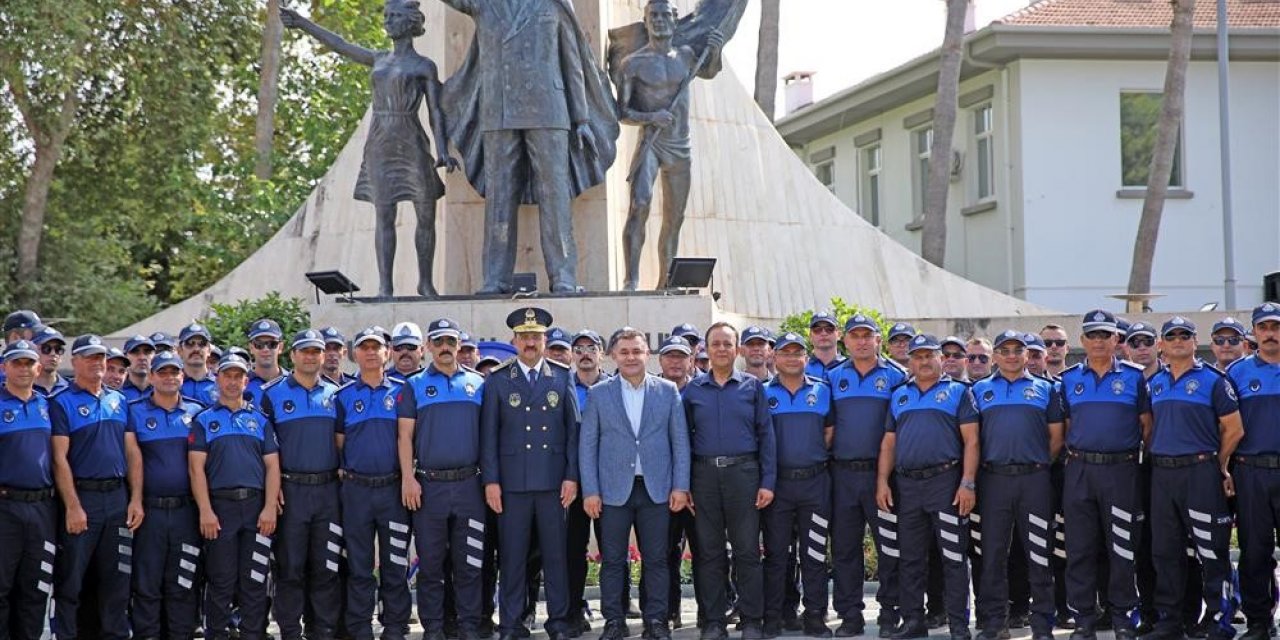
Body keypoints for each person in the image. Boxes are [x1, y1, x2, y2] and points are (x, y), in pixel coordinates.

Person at [437, 0, 618, 295]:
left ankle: (563, 277)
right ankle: (496, 279)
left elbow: (572, 59)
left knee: (555, 195)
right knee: (499, 197)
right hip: (498, 110)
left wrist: (582, 116)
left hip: (549, 110)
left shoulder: (554, 4)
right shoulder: (483, 5)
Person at [281, 0, 458, 297]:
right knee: (384, 215)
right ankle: (385, 287)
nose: (387, 21)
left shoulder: (423, 66)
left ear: (410, 22)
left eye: (394, 16)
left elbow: (436, 110)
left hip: (412, 141)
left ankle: (425, 283)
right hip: (380, 144)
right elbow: (339, 44)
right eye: (386, 16)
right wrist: (303, 23)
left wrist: (442, 150)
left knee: (425, 214)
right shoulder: (378, 59)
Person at [580, 326, 690, 640]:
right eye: (624, 351)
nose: (631, 357)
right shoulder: (599, 393)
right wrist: (591, 490)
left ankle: (656, 621)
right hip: (613, 491)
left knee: (657, 559)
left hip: (656, 489)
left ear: (647, 354)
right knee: (613, 561)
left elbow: (680, 443)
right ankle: (614, 621)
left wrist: (680, 486)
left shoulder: (667, 391)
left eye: (637, 351)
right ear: (614, 355)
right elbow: (588, 445)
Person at [481, 307, 580, 640]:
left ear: (545, 340)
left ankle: (559, 622)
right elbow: (489, 436)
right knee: (512, 558)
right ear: (514, 341)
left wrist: (572, 476)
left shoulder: (563, 376)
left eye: (536, 337)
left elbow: (572, 432)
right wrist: (491, 481)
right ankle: (511, 624)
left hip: (553, 484)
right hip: (512, 484)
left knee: (556, 558)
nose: (530, 343)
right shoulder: (498, 380)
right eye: (524, 337)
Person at [876, 334, 979, 640]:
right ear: (910, 360)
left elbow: (972, 441)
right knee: (910, 557)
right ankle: (912, 621)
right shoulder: (899, 394)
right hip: (907, 486)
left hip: (945, 483)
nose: (923, 361)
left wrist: (968, 483)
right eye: (917, 356)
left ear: (940, 359)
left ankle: (959, 624)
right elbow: (889, 444)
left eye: (929, 355)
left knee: (953, 557)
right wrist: (882, 480)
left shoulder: (959, 392)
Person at [1146, 317, 1243, 640]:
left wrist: (1218, 463)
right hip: (1162, 475)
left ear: (1194, 341)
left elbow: (1234, 429)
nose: (1177, 341)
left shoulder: (1213, 380)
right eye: (1170, 336)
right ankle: (1170, 622)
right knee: (1166, 551)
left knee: (1211, 551)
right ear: (1162, 344)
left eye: (1184, 335)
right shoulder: (1155, 383)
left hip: (1199, 472)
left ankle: (1219, 620)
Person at [615, 0, 723, 290]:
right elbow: (621, 112)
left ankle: (666, 281)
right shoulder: (632, 63)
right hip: (651, 143)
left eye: (665, 15)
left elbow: (710, 71)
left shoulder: (687, 56)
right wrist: (651, 116)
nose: (660, 21)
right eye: (654, 16)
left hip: (680, 146)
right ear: (646, 21)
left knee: (675, 217)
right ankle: (631, 279)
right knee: (639, 204)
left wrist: (715, 49)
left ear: (675, 21)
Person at [1058, 310, 1150, 640]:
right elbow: (1065, 429)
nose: (1098, 341)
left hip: (1121, 470)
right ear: (1083, 341)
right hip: (1080, 470)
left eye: (1105, 335)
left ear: (1116, 340)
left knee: (1122, 548)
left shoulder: (1135, 377)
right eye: (1092, 335)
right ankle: (1083, 619)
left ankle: (1124, 617)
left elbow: (1147, 427)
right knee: (1081, 549)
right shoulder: (1068, 379)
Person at [682, 322, 776, 640]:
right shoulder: (692, 391)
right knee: (710, 554)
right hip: (704, 477)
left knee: (747, 551)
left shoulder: (752, 388)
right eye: (716, 344)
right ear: (705, 350)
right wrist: (685, 484)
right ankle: (714, 622)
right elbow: (683, 440)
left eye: (727, 344)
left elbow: (767, 436)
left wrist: (767, 482)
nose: (721, 349)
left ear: (737, 350)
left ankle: (752, 620)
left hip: (744, 475)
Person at [49, 334, 144, 640]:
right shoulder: (62, 402)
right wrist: (73, 506)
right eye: (89, 357)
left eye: (101, 357)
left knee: (117, 579)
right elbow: (59, 459)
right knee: (72, 581)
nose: (97, 363)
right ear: (74, 362)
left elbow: (131, 452)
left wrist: (136, 499)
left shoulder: (119, 400)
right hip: (83, 497)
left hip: (117, 498)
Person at [970, 331, 1063, 640]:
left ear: (1027, 355)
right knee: (993, 555)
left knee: (1039, 552)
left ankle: (1042, 625)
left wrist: (1034, 463)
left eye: (1017, 350)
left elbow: (1056, 437)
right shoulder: (979, 390)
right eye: (1004, 350)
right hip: (994, 480)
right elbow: (973, 439)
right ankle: (996, 623)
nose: (1011, 355)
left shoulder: (1045, 389)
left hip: (1034, 480)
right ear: (995, 355)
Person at [399, 319, 488, 640]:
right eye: (439, 342)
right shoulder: (414, 385)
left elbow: (489, 439)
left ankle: (468, 626)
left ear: (458, 345)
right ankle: (433, 628)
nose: (446, 347)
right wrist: (408, 478)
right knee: (432, 565)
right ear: (429, 347)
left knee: (470, 564)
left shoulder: (478, 384)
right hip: (429, 487)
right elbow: (405, 437)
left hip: (470, 487)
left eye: (451, 341)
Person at [259, 329, 343, 640]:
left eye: (316, 351)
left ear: (323, 356)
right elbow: (266, 448)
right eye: (304, 351)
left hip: (327, 492)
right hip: (291, 492)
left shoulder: (335, 394)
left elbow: (341, 444)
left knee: (326, 567)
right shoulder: (272, 393)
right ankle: (290, 632)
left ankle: (321, 631)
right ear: (292, 355)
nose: (310, 356)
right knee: (290, 567)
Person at [189, 353, 281, 640]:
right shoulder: (204, 420)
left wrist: (269, 508)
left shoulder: (260, 420)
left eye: (237, 376)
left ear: (246, 380)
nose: (232, 382)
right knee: (221, 580)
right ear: (217, 379)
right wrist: (205, 510)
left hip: (255, 509)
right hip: (220, 509)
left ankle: (253, 634)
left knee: (254, 579)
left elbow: (273, 466)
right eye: (226, 376)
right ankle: (217, 634)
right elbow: (196, 469)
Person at [827, 314, 907, 638]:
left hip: (882, 477)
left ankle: (890, 614)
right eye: (855, 335)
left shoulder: (896, 376)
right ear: (845, 341)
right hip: (843, 475)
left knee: (889, 548)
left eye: (867, 335)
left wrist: (884, 478)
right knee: (845, 550)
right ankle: (850, 616)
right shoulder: (832, 379)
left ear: (878, 340)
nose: (861, 341)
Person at [333, 327, 412, 640]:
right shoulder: (343, 396)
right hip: (357, 493)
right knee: (360, 567)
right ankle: (360, 629)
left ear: (387, 352)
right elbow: (339, 443)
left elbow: (409, 438)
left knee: (395, 565)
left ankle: (394, 628)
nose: (369, 352)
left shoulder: (404, 391)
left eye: (376, 347)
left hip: (392, 490)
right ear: (355, 354)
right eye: (363, 347)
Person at [760, 333, 834, 639]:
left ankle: (814, 615)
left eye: (797, 353)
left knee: (815, 553)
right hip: (778, 486)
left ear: (806, 357)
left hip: (815, 484)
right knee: (777, 555)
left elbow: (829, 433)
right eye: (785, 353)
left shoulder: (823, 391)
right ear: (774, 357)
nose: (792, 358)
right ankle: (774, 616)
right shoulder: (762, 393)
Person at [129, 351, 205, 640]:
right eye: (163, 372)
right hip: (151, 513)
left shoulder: (197, 411)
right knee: (147, 583)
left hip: (187, 512)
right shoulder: (134, 410)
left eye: (175, 372)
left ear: (182, 377)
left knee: (184, 581)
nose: (170, 377)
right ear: (151, 377)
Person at [1228, 303, 1280, 640]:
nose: (1271, 333)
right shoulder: (1237, 372)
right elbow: (1226, 427)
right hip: (1251, 472)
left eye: (1276, 326)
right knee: (1254, 551)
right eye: (1264, 328)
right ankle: (1259, 621)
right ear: (1254, 333)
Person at [0, 340, 57, 640]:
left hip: (42, 509)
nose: (23, 369)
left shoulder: (48, 403)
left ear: (38, 367)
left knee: (36, 588)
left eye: (28, 363)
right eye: (16, 363)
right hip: (6, 508)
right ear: (4, 367)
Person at [568, 329, 609, 635]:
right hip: (574, 484)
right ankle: (573, 609)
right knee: (573, 551)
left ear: (601, 353)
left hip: (610, 483)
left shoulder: (614, 387)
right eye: (578, 348)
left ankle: (616, 610)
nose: (584, 353)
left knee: (613, 550)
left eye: (590, 348)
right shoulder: (561, 388)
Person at [245, 320, 287, 407]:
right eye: (259, 344)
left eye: (272, 344)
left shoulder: (293, 383)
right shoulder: (241, 384)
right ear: (251, 348)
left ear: (281, 347)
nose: (265, 349)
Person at [179, 323, 219, 406]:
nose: (196, 349)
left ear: (209, 350)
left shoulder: (221, 385)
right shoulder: (171, 384)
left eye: (202, 343)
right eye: (190, 343)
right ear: (180, 350)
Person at [805, 312, 846, 379]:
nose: (823, 333)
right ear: (810, 336)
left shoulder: (850, 367)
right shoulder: (801, 368)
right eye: (817, 330)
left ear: (839, 334)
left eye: (829, 329)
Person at [33, 326, 69, 396]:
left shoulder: (71, 389)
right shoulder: (21, 389)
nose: (53, 354)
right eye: (46, 349)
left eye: (58, 349)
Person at [120, 334, 156, 403]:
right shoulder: (117, 390)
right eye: (135, 352)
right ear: (125, 357)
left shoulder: (163, 389)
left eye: (147, 352)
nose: (142, 357)